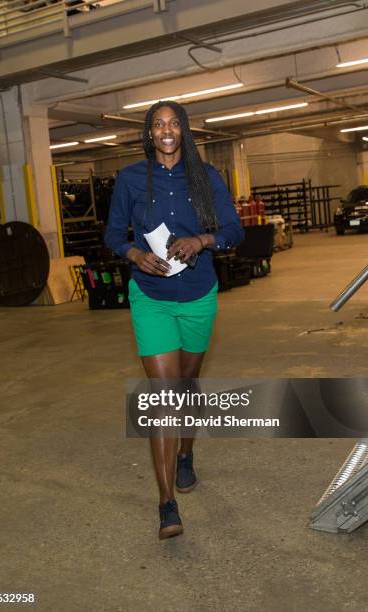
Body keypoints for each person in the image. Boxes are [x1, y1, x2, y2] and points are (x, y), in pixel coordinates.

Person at [105, 100, 244, 539]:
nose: (165, 131)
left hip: (199, 293)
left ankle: (186, 453)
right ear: (149, 133)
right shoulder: (130, 180)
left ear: (183, 131)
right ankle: (167, 503)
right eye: (157, 125)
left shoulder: (206, 177)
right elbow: (112, 234)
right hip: (151, 297)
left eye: (173, 124)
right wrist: (134, 254)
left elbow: (234, 230)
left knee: (186, 386)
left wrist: (202, 239)